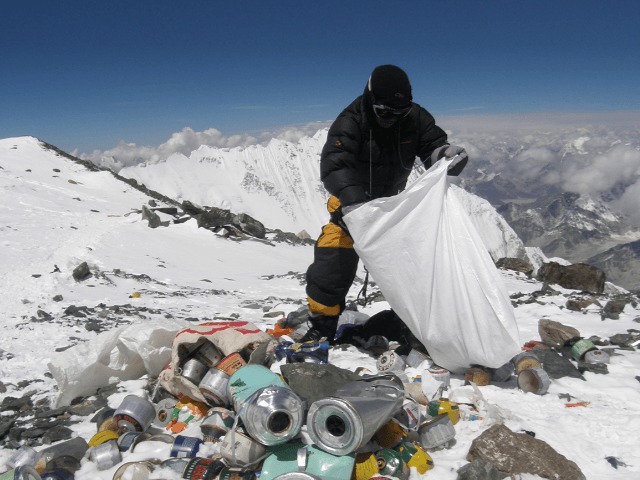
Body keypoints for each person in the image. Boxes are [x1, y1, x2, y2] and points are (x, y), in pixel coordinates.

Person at [299, 64, 469, 343]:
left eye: (399, 112)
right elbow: (334, 166)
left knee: (416, 268)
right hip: (350, 210)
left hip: (392, 210)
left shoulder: (415, 118)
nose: (391, 118)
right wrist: (355, 205)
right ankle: (323, 325)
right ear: (370, 99)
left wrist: (445, 155)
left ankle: (416, 325)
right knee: (332, 265)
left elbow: (432, 146)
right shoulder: (351, 121)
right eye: (384, 112)